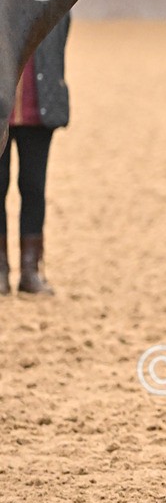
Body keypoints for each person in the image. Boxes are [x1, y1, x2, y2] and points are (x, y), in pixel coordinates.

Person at [0, 15, 70, 296]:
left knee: (33, 188)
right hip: (2, 115)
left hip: (38, 111)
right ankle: (1, 270)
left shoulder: (52, 4)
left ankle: (30, 271)